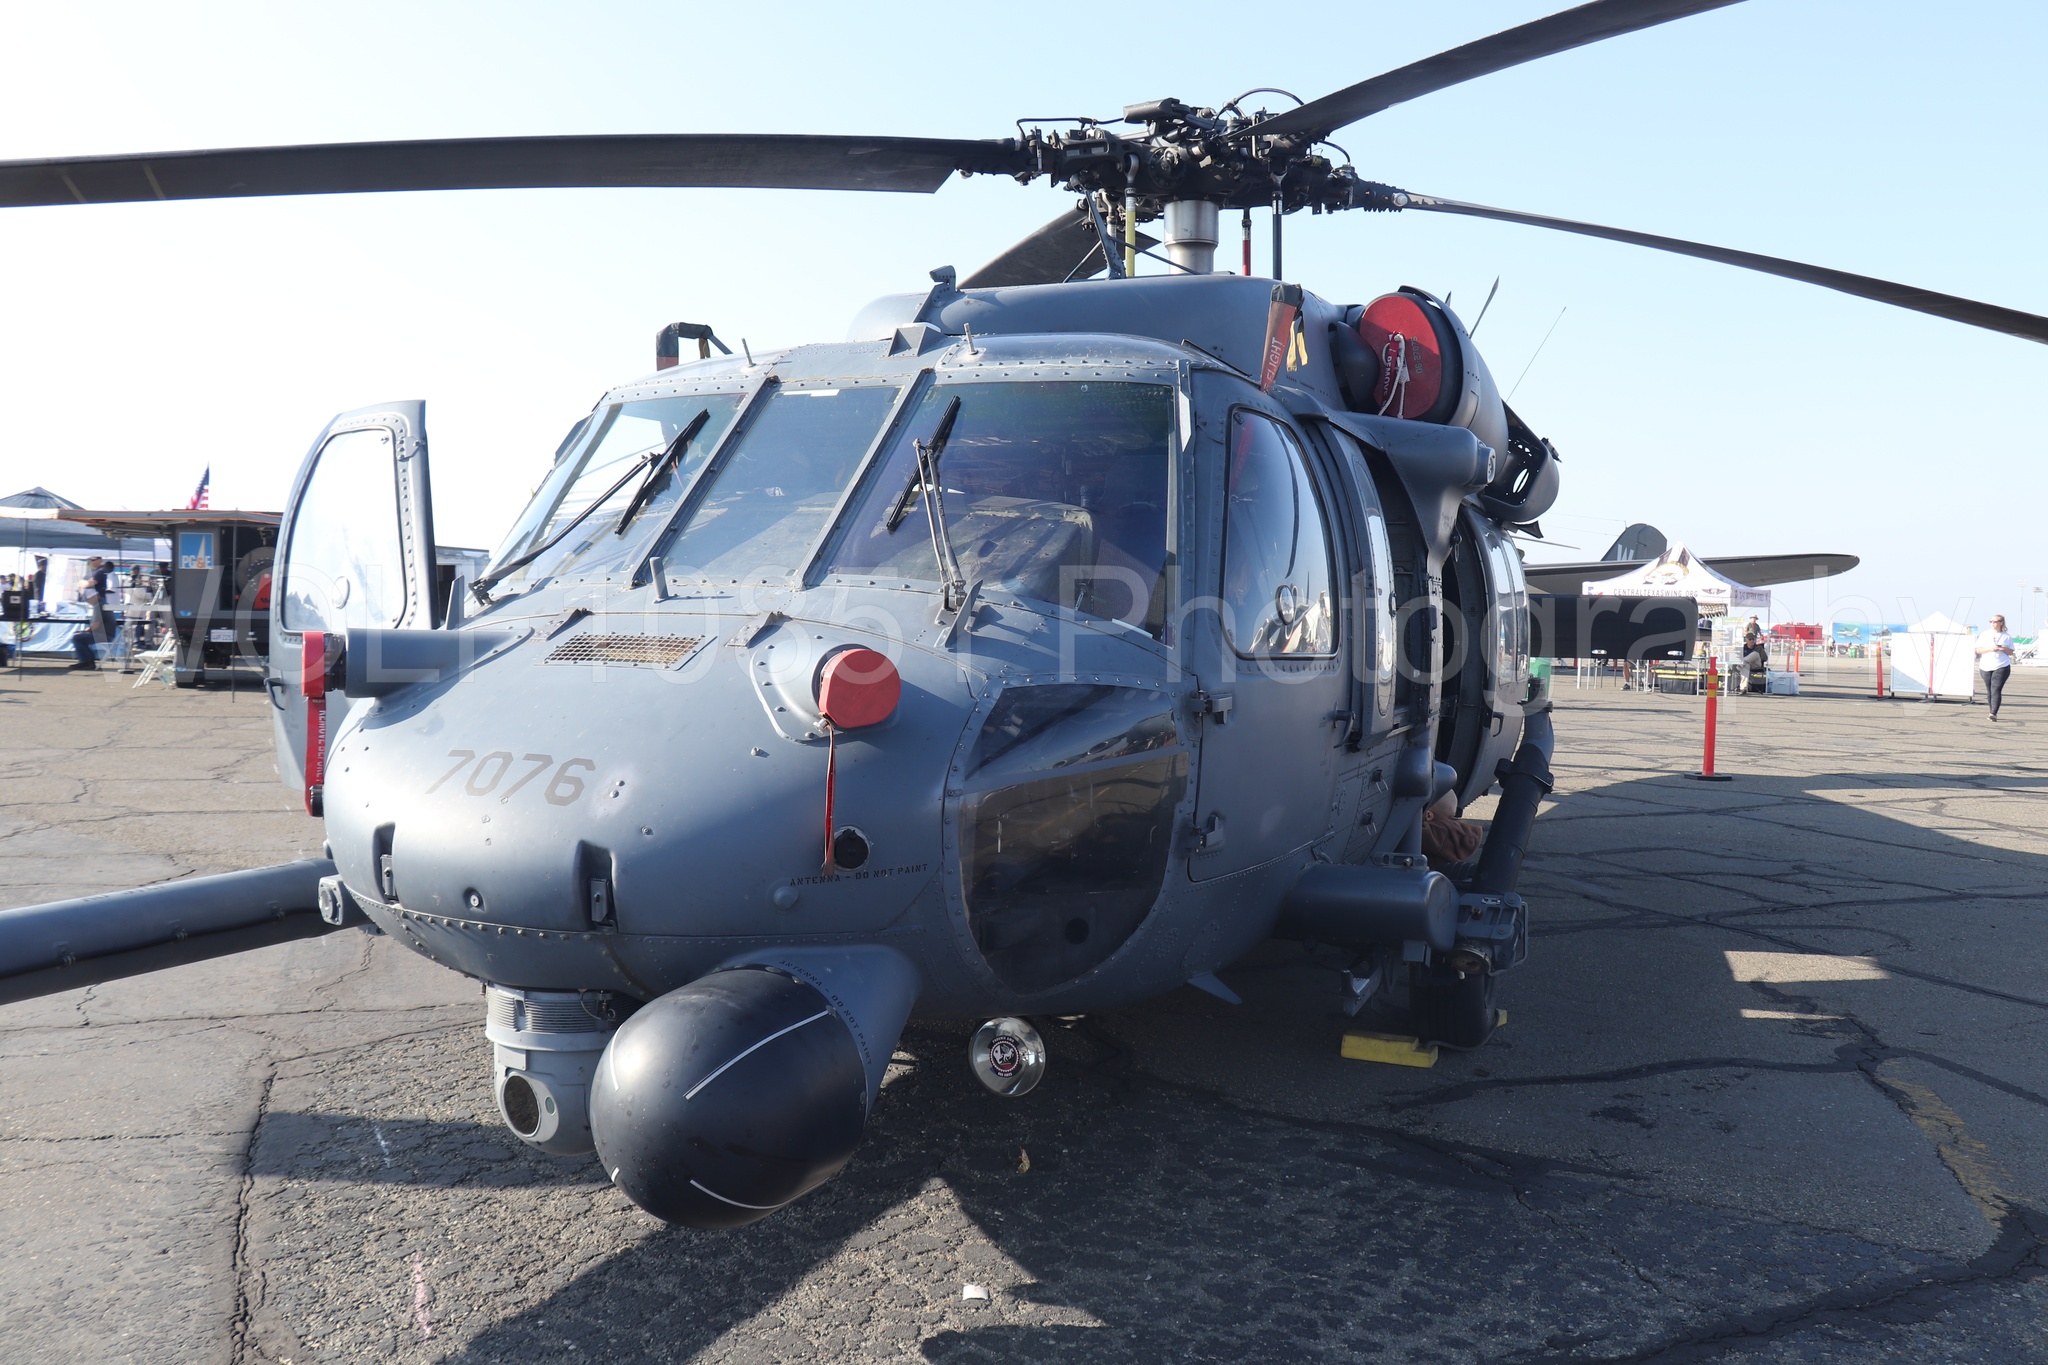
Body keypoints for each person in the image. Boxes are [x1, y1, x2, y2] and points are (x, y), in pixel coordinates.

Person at [70, 556, 113, 671]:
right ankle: (87, 661)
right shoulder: (100, 604)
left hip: (104, 634)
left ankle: (87, 661)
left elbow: (96, 625)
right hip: (104, 633)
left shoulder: (99, 605)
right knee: (80, 637)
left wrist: (84, 630)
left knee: (77, 638)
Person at [1976, 613, 2015, 720]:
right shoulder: (1985, 634)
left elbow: (2011, 651)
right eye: (1991, 621)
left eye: (1995, 621)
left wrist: (2003, 649)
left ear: (2001, 623)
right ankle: (1991, 709)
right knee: (1989, 690)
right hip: (1986, 665)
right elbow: (1978, 650)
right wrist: (1990, 649)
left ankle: (1994, 713)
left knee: (1996, 688)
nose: (1993, 623)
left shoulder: (2006, 636)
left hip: (2002, 665)